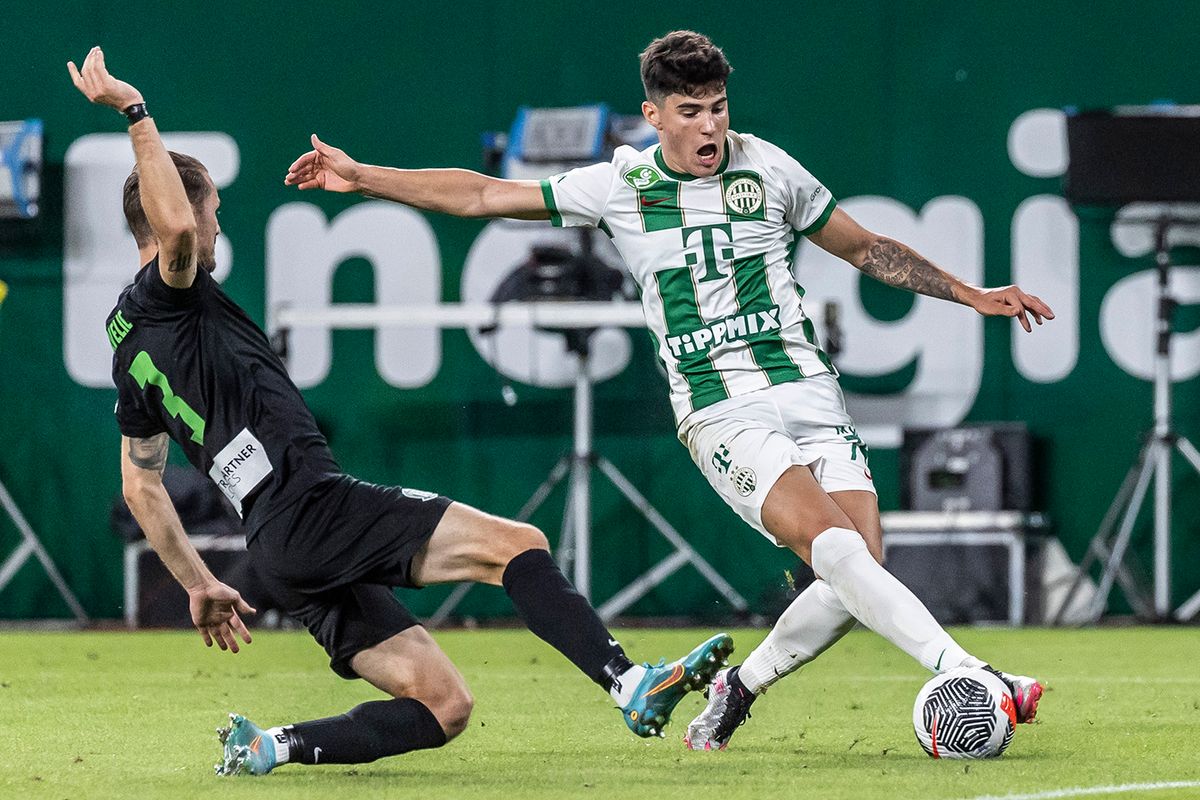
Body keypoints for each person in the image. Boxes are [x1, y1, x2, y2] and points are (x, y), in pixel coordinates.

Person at [284, 30, 1055, 752]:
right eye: (689, 112)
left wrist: (970, 293)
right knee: (842, 552)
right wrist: (364, 178)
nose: (709, 126)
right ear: (654, 116)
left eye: (718, 107)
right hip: (722, 408)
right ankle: (969, 673)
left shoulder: (770, 167)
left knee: (857, 573)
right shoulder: (619, 185)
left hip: (808, 389)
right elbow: (484, 195)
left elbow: (866, 247)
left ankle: (739, 687)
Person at [69, 46, 734, 777]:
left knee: (443, 705)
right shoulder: (175, 288)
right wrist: (136, 114)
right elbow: (182, 234)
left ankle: (270, 746)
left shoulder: (125, 347)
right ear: (179, 215)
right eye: (216, 213)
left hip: (276, 544)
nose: (217, 230)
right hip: (309, 507)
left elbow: (141, 486)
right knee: (516, 545)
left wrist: (199, 584)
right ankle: (629, 683)